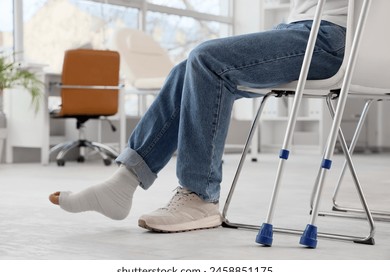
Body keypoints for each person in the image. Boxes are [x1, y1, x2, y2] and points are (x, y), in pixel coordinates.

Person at [49, 0, 348, 233]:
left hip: (331, 36)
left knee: (207, 59)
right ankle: (123, 183)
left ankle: (200, 197)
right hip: (298, 28)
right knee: (187, 69)